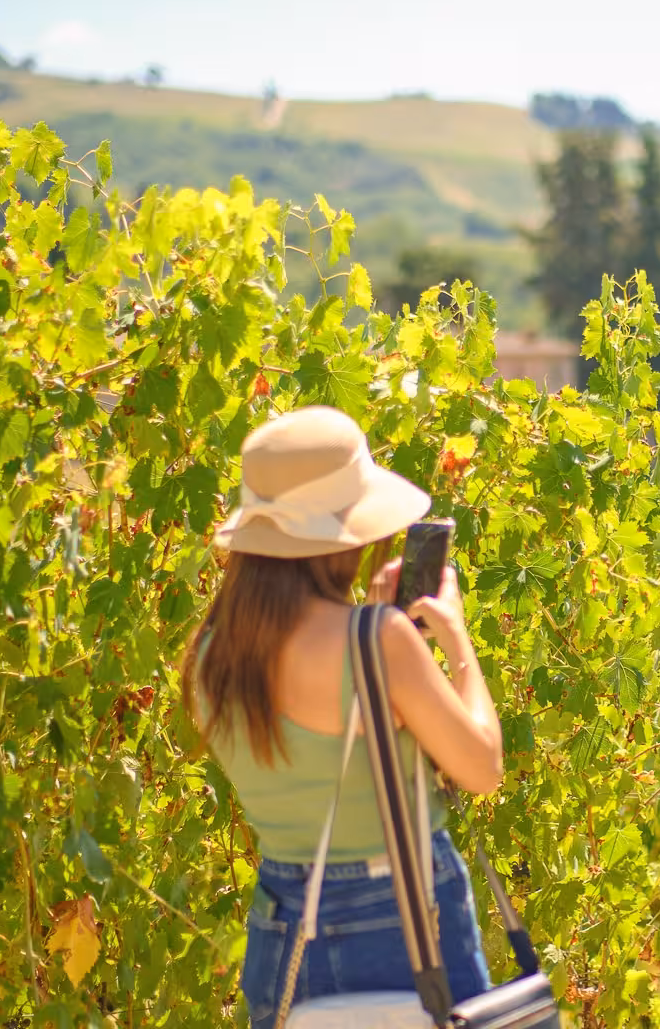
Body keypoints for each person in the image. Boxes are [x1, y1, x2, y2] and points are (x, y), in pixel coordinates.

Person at [182, 406, 503, 1029]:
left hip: (282, 924)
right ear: (345, 534)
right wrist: (455, 640)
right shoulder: (376, 642)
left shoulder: (211, 654)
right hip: (405, 917)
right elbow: (482, 767)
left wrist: (377, 632)